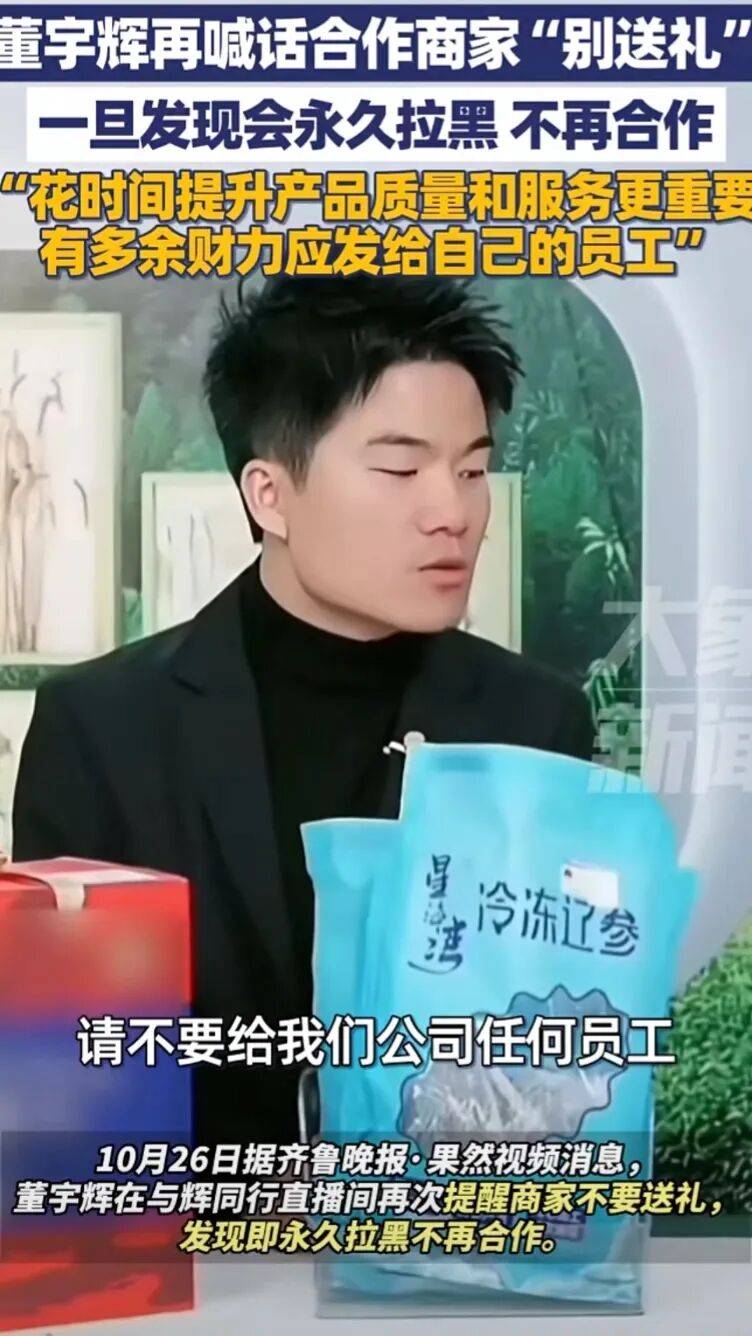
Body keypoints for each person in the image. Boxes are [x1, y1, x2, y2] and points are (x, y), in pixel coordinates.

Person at [12, 275, 596, 1150]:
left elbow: (550, 1056)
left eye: (472, 470)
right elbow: (69, 1081)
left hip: (446, 1229)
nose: (454, 513)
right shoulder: (102, 728)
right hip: (191, 1229)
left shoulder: (536, 724)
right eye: (400, 469)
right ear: (269, 494)